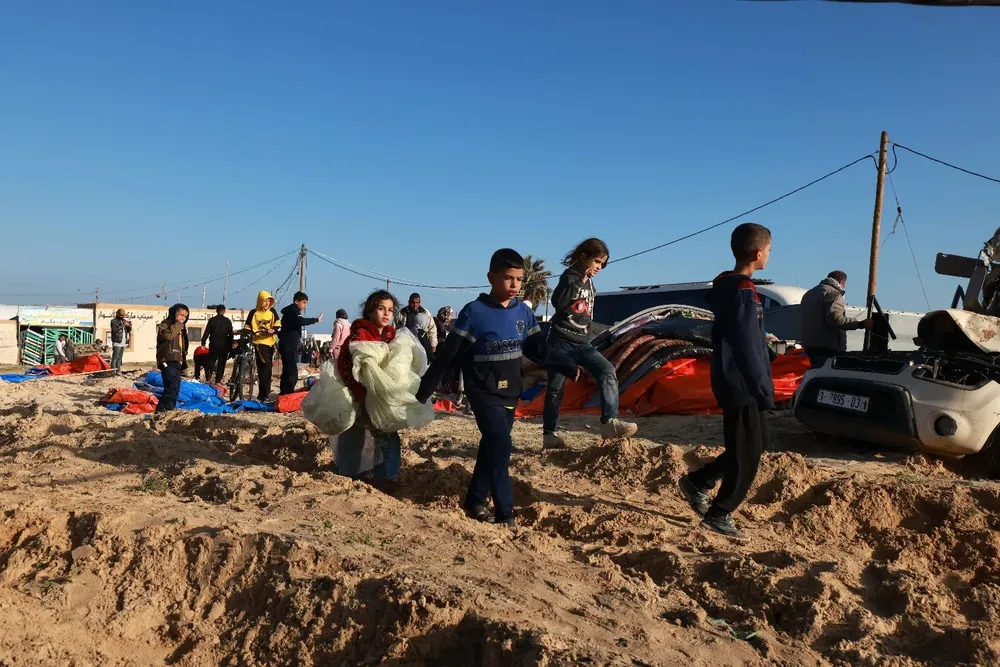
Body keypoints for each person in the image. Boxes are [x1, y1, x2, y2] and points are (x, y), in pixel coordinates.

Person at [416, 249, 579, 528]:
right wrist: (423, 392)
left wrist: (565, 364)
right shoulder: (474, 313)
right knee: (501, 446)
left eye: (518, 279)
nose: (514, 285)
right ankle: (506, 513)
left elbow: (537, 347)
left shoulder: (523, 313)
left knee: (492, 446)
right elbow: (448, 355)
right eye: (507, 278)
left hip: (510, 392)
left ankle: (475, 499)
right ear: (491, 277)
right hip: (483, 392)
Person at [679, 223, 774, 541]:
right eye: (770, 250)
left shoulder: (731, 287)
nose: (769, 256)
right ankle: (719, 514)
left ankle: (700, 482)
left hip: (735, 378)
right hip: (743, 383)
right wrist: (762, 388)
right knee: (747, 454)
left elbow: (747, 337)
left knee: (749, 447)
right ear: (759, 252)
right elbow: (747, 346)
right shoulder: (744, 291)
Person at [543, 238, 638, 449]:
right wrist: (578, 282)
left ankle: (609, 422)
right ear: (584, 257)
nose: (599, 268)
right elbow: (558, 303)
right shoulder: (570, 276)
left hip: (582, 343)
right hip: (561, 342)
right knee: (555, 390)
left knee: (607, 371)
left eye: (602, 264)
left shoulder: (589, 280)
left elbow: (585, 313)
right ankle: (550, 435)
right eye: (597, 262)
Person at [335, 290, 404, 483]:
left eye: (390, 310)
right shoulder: (360, 334)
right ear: (369, 311)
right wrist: (361, 395)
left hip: (380, 397)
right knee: (371, 436)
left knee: (384, 435)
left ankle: (379, 473)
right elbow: (346, 365)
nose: (386, 314)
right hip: (361, 396)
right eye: (381, 308)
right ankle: (381, 477)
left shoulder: (390, 335)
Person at [800, 271, 870, 369]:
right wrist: (860, 324)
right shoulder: (834, 294)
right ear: (842, 281)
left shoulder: (809, 294)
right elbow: (835, 320)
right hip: (828, 348)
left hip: (810, 347)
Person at [278, 292, 323, 395]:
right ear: (296, 302)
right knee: (291, 371)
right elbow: (300, 321)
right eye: (303, 302)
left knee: (288, 369)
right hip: (289, 345)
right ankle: (287, 392)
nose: (305, 305)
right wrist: (315, 320)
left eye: (306, 303)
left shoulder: (290, 311)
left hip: (288, 344)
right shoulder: (293, 311)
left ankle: (284, 391)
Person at [243, 291, 282, 401]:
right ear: (260, 301)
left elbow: (278, 325)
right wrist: (244, 332)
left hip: (270, 342)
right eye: (265, 301)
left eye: (269, 301)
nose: (267, 303)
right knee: (266, 366)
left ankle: (264, 393)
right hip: (259, 343)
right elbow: (247, 327)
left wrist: (273, 330)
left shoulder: (272, 312)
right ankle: (264, 393)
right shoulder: (253, 313)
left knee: (266, 369)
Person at [155, 303, 190, 413]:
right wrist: (179, 325)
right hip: (167, 360)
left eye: (185, 316)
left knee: (175, 388)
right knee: (170, 387)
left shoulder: (180, 328)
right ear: (173, 313)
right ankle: (160, 410)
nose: (182, 318)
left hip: (176, 361)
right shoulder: (165, 325)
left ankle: (169, 410)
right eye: (180, 315)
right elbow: (167, 336)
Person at [395, 293, 438, 361]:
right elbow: (395, 328)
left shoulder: (426, 313)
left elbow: (432, 329)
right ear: (409, 302)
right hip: (406, 342)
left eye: (417, 303)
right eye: (413, 302)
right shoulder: (401, 313)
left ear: (420, 302)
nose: (415, 305)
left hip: (422, 342)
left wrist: (433, 344)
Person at [201, 305, 234, 385]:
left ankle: (208, 378)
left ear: (216, 311)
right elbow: (231, 335)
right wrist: (230, 347)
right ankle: (218, 381)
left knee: (211, 361)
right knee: (221, 364)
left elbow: (207, 332)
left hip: (214, 344)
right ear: (224, 311)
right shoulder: (228, 321)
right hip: (224, 345)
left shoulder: (212, 320)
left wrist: (203, 342)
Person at [110, 309, 132, 375]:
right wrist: (122, 325)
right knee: (115, 357)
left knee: (120, 357)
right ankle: (113, 371)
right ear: (117, 314)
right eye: (121, 315)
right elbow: (114, 330)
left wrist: (129, 326)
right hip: (117, 341)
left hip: (123, 341)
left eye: (123, 315)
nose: (122, 317)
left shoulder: (124, 320)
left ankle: (118, 370)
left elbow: (128, 330)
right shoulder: (113, 321)